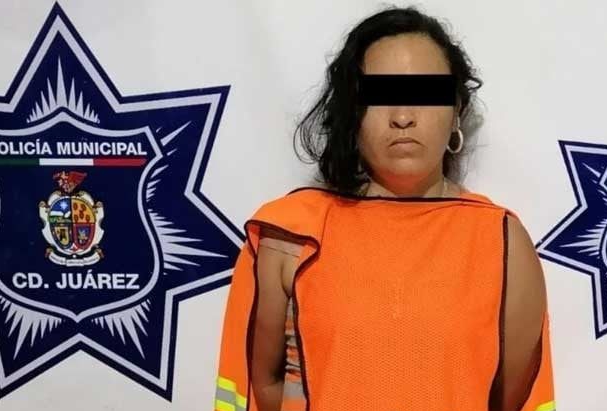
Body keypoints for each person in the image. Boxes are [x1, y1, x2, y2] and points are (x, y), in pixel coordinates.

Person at [214, 6, 555, 411]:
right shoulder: (287, 234)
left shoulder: (502, 242)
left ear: (456, 111)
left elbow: (509, 399)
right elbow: (260, 386)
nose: (403, 117)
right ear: (352, 113)